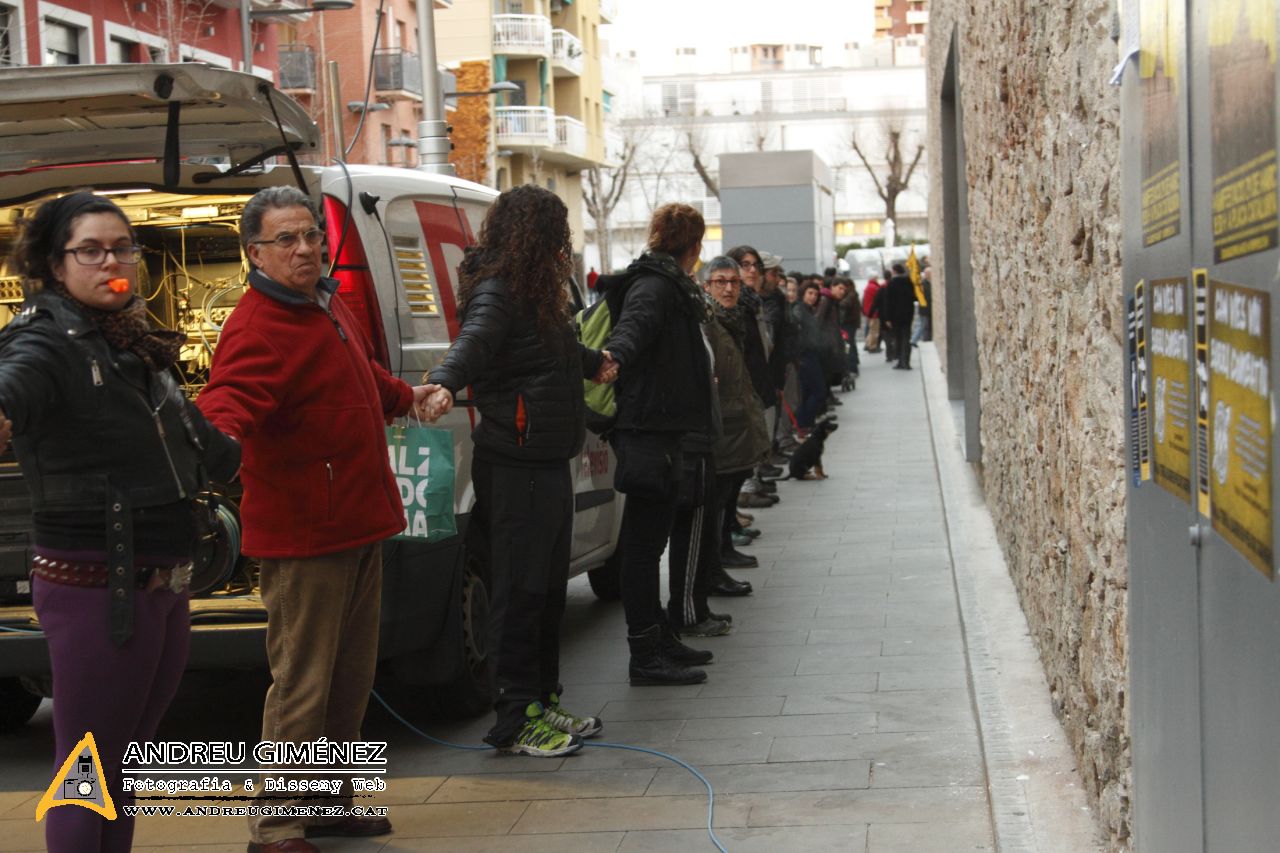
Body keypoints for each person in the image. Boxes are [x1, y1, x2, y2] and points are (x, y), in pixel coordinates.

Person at [0, 192, 240, 853]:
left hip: (159, 583)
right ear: (54, 265)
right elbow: (13, 384)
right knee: (86, 766)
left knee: (120, 762)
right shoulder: (45, 340)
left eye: (122, 247)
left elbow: (212, 450)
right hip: (96, 587)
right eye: (91, 250)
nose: (112, 261)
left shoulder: (131, 341)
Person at [196, 186, 434, 853]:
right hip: (306, 538)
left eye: (311, 236)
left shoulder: (323, 306)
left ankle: (327, 801)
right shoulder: (257, 327)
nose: (305, 249)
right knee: (301, 682)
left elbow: (362, 378)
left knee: (348, 679)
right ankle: (276, 824)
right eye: (287, 240)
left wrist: (411, 396)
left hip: (356, 524)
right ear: (255, 253)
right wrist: (207, 452)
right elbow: (224, 409)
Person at [419, 186, 617, 756]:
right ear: (537, 235)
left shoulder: (538, 293)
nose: (563, 245)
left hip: (551, 459)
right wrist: (444, 382)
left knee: (549, 590)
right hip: (514, 462)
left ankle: (543, 700)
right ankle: (515, 716)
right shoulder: (499, 289)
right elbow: (474, 344)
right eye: (557, 234)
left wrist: (592, 364)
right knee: (520, 590)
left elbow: (549, 350)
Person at [603, 203, 717, 686]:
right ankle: (645, 654)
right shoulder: (654, 285)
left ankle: (659, 637)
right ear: (692, 244)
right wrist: (612, 358)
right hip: (647, 430)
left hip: (664, 430)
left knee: (651, 541)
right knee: (642, 547)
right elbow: (634, 330)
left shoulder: (670, 283)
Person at [792, 282, 827, 434]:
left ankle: (805, 423)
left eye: (815, 294)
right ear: (803, 293)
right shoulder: (799, 310)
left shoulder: (808, 310)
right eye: (810, 293)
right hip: (805, 355)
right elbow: (797, 333)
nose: (813, 297)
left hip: (811, 354)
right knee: (817, 391)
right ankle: (804, 422)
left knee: (808, 392)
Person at [883, 262, 917, 369]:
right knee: (906, 338)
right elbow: (913, 297)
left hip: (896, 316)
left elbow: (889, 302)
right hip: (907, 315)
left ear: (894, 271)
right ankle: (906, 361)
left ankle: (900, 361)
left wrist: (888, 318)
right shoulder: (909, 282)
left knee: (898, 338)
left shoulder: (892, 284)